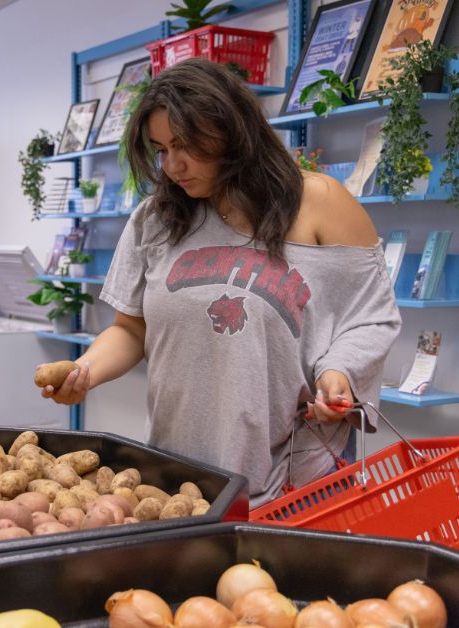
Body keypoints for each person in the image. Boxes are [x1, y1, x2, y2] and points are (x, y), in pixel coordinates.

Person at [36, 58, 401, 508]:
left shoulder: (319, 202)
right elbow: (131, 329)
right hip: (182, 478)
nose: (173, 165)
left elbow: (371, 317)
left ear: (233, 129)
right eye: (161, 149)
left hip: (297, 481)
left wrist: (338, 372)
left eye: (186, 144)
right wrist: (85, 371)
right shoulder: (155, 219)